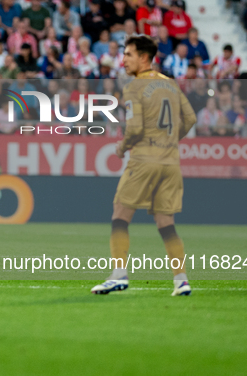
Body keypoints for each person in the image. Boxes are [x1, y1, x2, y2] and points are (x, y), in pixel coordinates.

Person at [90, 35, 197, 297]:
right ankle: (181, 280)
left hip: (144, 160)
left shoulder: (134, 87)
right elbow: (191, 118)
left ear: (144, 58)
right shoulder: (170, 84)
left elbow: (135, 128)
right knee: (165, 221)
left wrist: (123, 146)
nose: (123, 59)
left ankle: (119, 275)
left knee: (120, 215)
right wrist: (169, 141)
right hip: (170, 161)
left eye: (128, 54)